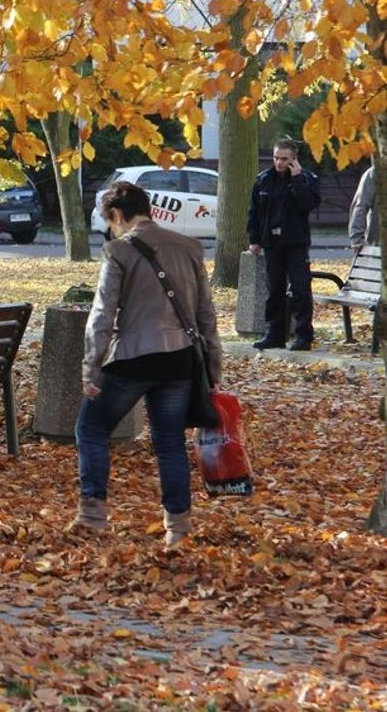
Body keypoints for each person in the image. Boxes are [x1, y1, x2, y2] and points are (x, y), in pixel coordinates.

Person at [70, 181, 222, 548]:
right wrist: (213, 370)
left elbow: (102, 314)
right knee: (169, 443)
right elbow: (206, 314)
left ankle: (92, 514)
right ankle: (178, 527)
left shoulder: (117, 251)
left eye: (110, 222)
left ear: (118, 215)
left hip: (134, 358)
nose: (111, 229)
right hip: (180, 359)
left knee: (90, 429)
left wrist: (92, 368)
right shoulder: (188, 247)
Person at [246, 139, 321, 351]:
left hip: (296, 243)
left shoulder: (307, 179)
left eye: (284, 159)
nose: (279, 163)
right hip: (272, 243)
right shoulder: (264, 180)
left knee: (300, 289)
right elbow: (254, 211)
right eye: (276, 158)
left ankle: (304, 335)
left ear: (294, 160)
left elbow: (307, 205)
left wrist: (296, 180)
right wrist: (254, 239)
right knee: (274, 290)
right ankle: (275, 333)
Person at [348, 166, 378, 250]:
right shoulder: (375, 173)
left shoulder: (374, 173)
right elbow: (360, 207)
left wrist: (357, 239)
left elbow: (360, 206)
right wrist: (357, 239)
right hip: (378, 246)